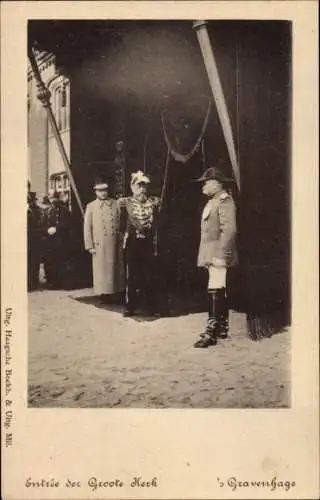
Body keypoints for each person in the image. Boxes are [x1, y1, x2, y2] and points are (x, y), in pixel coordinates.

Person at [193, 166, 237, 348]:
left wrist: (221, 255)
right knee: (218, 288)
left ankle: (212, 331)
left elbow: (229, 230)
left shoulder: (225, 201)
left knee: (215, 289)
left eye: (206, 182)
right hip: (210, 253)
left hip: (219, 253)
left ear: (217, 184)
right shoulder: (213, 201)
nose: (203, 185)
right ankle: (221, 327)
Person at [118, 170, 160, 317]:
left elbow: (156, 224)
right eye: (139, 186)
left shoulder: (153, 203)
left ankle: (150, 306)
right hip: (132, 243)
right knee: (132, 276)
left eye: (144, 186)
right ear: (132, 187)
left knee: (149, 275)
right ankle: (130, 306)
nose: (142, 189)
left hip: (147, 243)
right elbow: (121, 226)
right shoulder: (125, 204)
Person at [83, 178, 124, 303]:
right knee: (102, 270)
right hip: (100, 244)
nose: (103, 193)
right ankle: (104, 295)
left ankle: (117, 293)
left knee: (116, 268)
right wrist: (89, 246)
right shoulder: (91, 206)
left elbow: (121, 222)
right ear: (96, 192)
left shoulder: (115, 203)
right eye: (100, 191)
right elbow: (87, 227)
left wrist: (123, 241)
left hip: (115, 242)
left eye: (105, 190)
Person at [42, 188, 72, 289]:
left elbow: (68, 224)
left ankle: (62, 283)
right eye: (50, 197)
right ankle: (52, 282)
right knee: (51, 262)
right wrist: (47, 230)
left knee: (61, 261)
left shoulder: (64, 210)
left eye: (54, 197)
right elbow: (43, 224)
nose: (52, 200)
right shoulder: (48, 210)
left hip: (61, 240)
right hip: (50, 241)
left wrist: (57, 228)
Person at [27, 191, 43, 291]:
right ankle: (30, 283)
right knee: (29, 263)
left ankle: (33, 283)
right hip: (30, 239)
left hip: (35, 240)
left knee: (34, 262)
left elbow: (40, 224)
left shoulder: (37, 210)